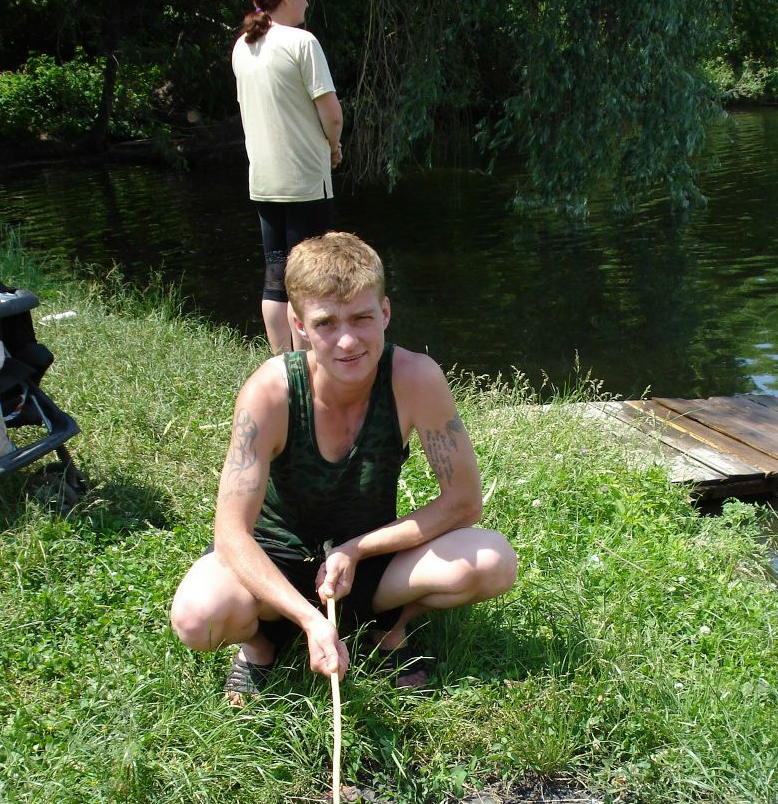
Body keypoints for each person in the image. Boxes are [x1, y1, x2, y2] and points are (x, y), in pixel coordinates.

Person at [170, 232, 518, 699]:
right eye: (326, 323)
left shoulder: (415, 379)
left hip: (370, 560)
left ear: (386, 313)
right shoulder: (271, 393)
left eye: (362, 318)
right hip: (279, 559)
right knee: (198, 617)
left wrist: (355, 550)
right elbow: (231, 534)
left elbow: (463, 502)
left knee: (493, 561)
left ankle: (389, 626)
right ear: (297, 323)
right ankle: (261, 643)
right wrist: (309, 618)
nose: (347, 340)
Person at [232, 0, 343, 354]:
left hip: (263, 180)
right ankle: (308, 364)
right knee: (310, 278)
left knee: (277, 276)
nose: (307, 2)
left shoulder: (243, 46)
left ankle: (282, 361)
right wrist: (333, 145)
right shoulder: (302, 43)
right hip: (304, 180)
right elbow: (332, 115)